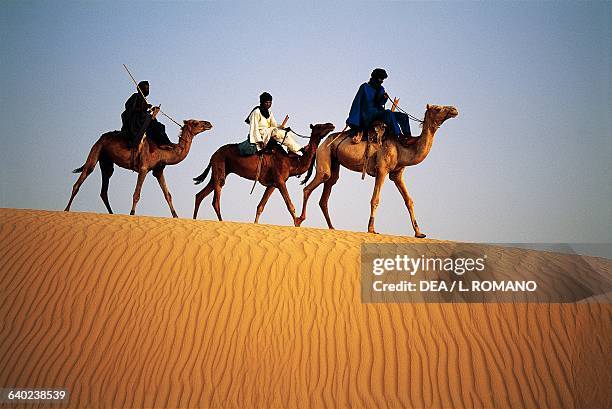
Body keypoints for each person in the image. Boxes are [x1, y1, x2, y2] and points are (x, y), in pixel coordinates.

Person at [346, 68, 412, 139]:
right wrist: (353, 121)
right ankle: (398, 135)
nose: (381, 81)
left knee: (403, 116)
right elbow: (356, 103)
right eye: (380, 79)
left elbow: (380, 103)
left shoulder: (381, 89)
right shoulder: (364, 87)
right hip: (368, 115)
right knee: (388, 113)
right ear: (375, 78)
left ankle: (408, 137)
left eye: (382, 79)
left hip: (379, 113)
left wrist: (384, 98)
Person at [121, 81, 173, 149]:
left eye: (147, 88)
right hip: (136, 121)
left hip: (142, 119)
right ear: (140, 89)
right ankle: (162, 143)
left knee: (159, 126)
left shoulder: (143, 99)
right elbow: (130, 108)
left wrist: (153, 111)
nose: (147, 90)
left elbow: (144, 112)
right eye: (145, 88)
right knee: (158, 126)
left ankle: (158, 143)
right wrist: (144, 107)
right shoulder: (136, 96)